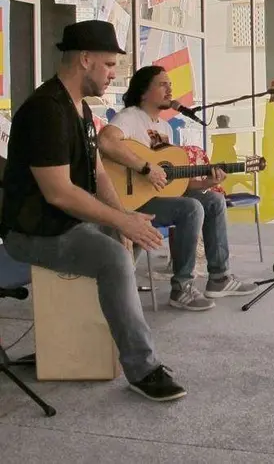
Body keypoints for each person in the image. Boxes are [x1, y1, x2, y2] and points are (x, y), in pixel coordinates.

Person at [0, 20, 185, 402]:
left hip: (67, 224)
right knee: (114, 258)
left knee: (122, 243)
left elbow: (97, 171)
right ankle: (142, 368)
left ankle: (70, 346)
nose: (114, 74)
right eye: (109, 64)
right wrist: (122, 222)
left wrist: (123, 219)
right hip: (34, 233)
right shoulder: (45, 111)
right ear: (85, 59)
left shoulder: (79, 108)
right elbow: (60, 193)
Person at [98, 66, 258, 311]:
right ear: (144, 92)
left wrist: (206, 183)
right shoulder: (130, 117)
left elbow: (173, 182)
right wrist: (145, 168)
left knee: (212, 200)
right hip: (130, 200)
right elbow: (106, 141)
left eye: (170, 84)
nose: (170, 89)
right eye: (162, 84)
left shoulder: (164, 127)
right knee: (190, 208)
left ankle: (218, 278)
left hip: (155, 196)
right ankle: (181, 287)